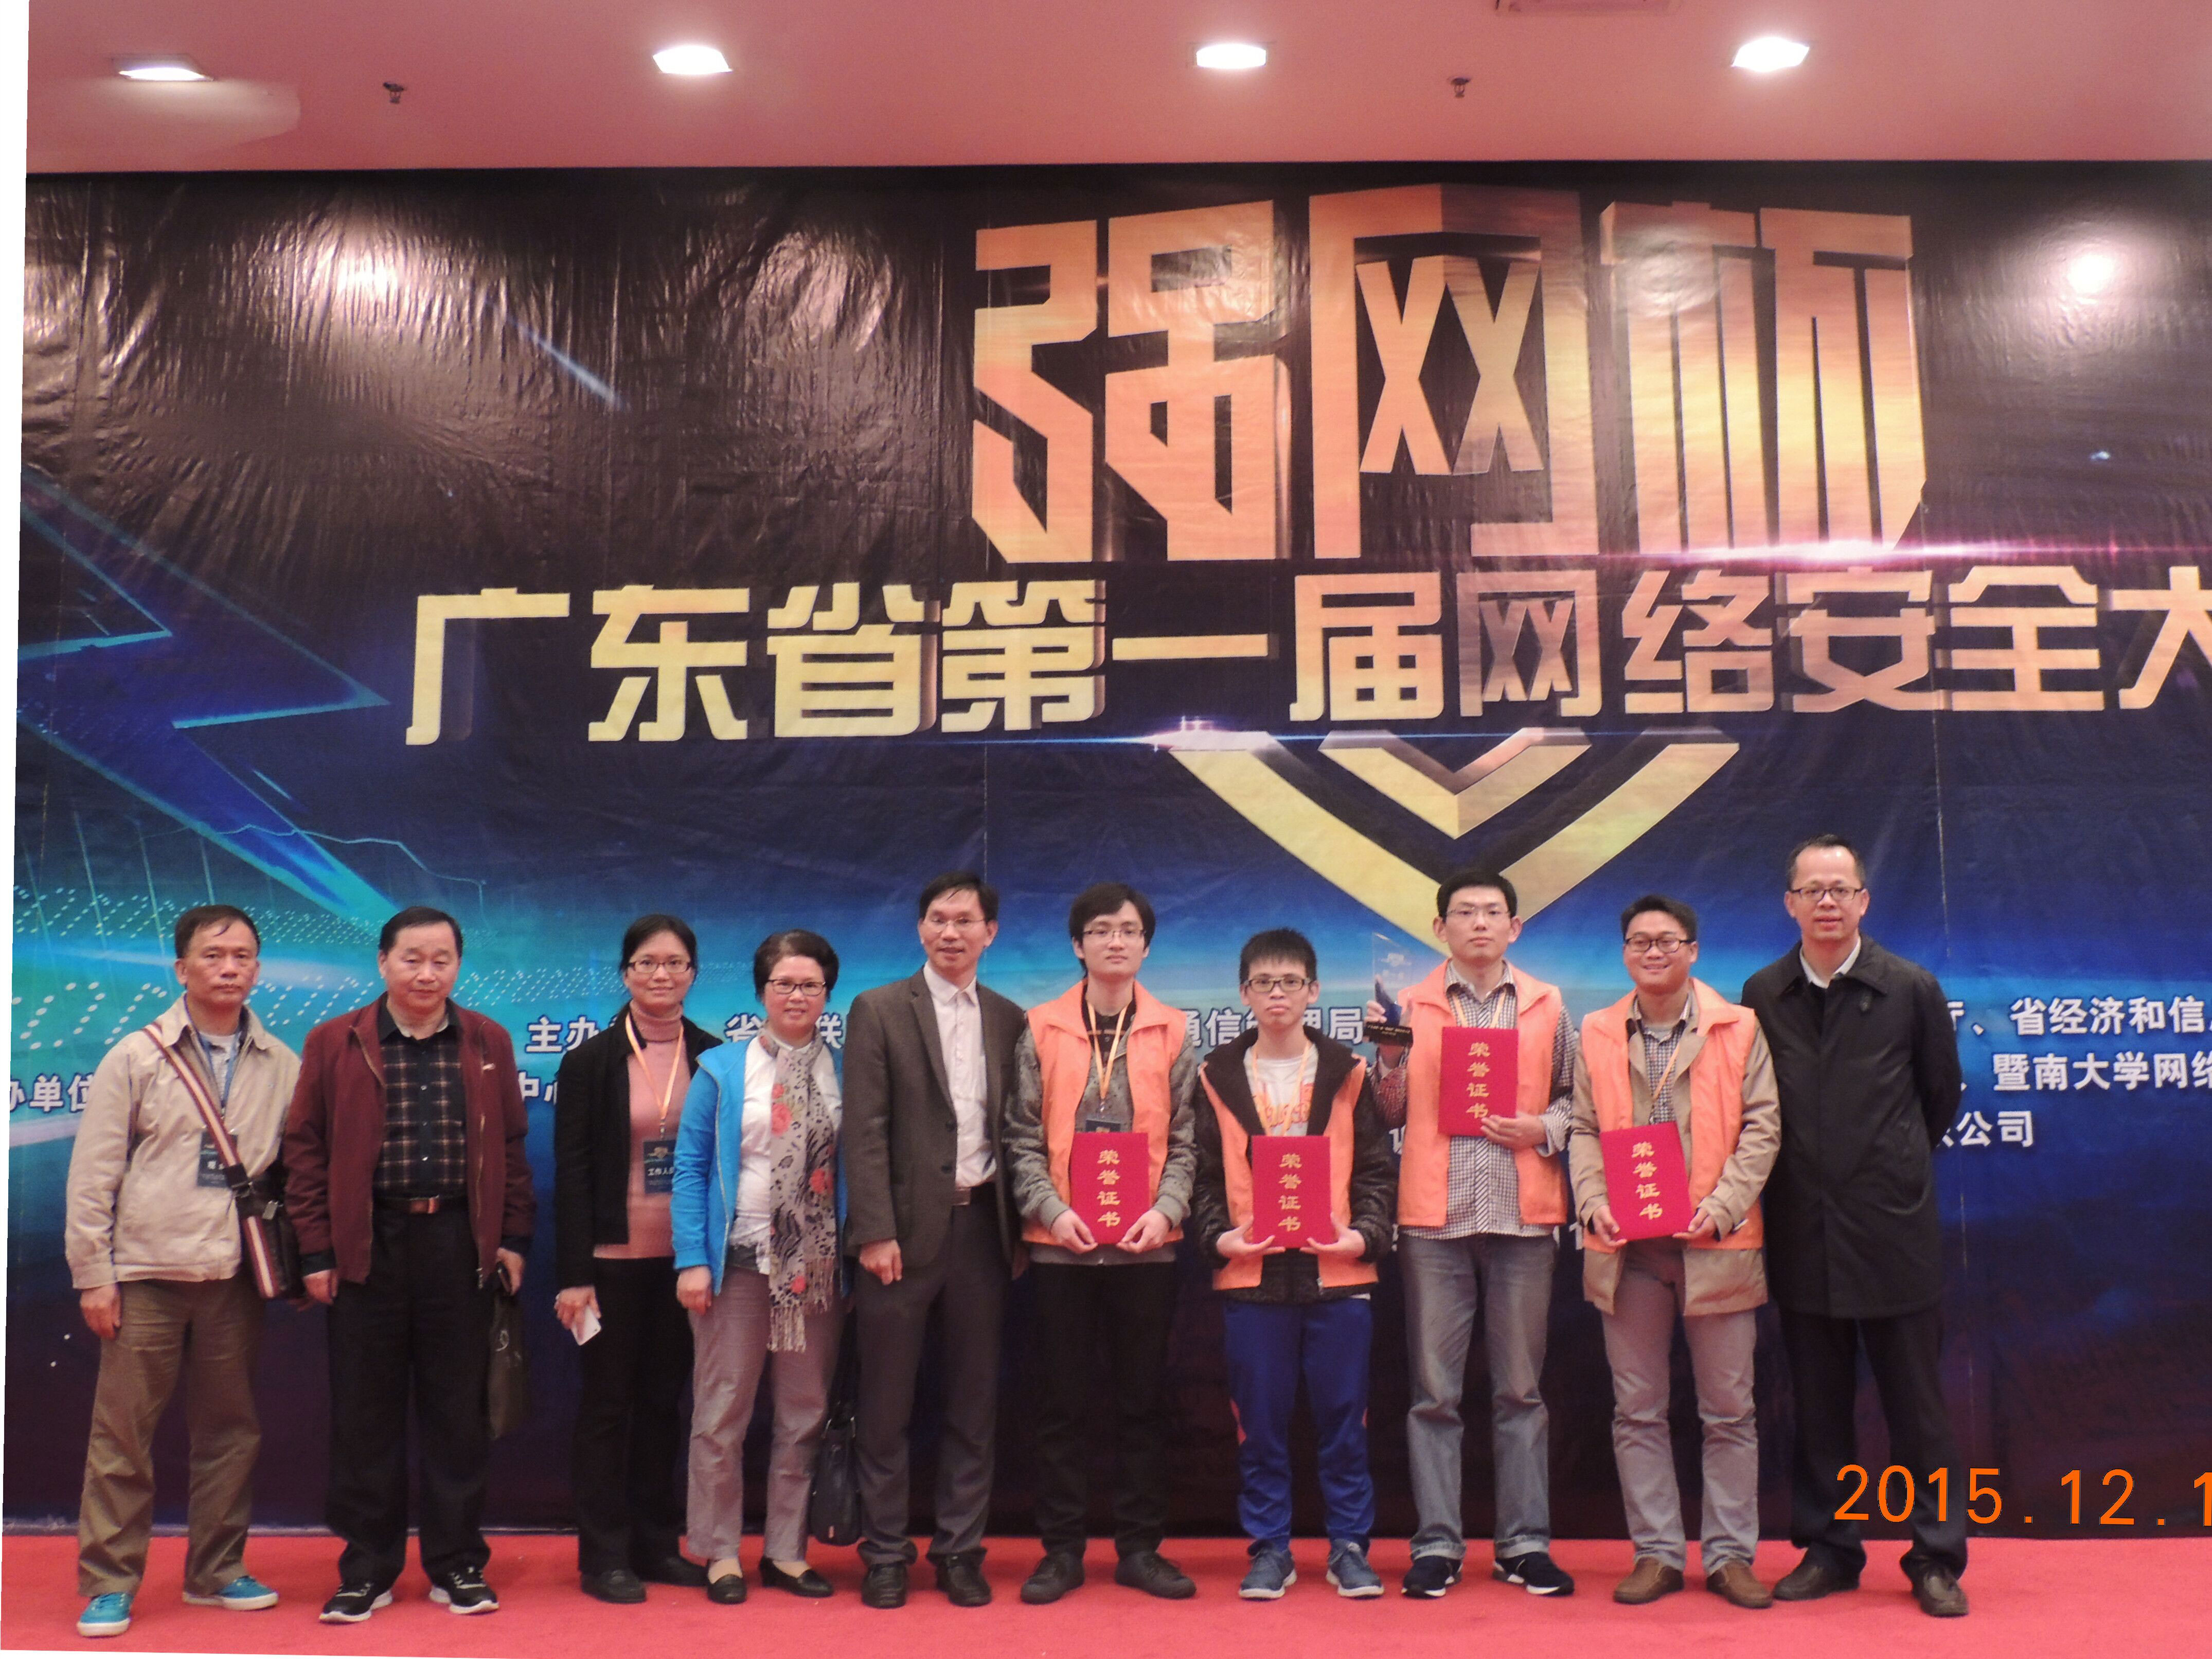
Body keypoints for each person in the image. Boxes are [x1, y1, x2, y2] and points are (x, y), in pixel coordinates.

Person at [284, 906, 533, 1624]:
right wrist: (317, 1249)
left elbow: (512, 1147)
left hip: (459, 1243)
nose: (427, 974)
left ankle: (458, 1564)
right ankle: (367, 1567)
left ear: (458, 965)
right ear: (383, 962)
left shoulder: (487, 1039)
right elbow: (305, 1150)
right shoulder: (336, 1041)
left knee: (459, 1415)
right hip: (369, 1246)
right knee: (366, 1416)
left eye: (441, 960)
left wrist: (512, 1239)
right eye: (412, 959)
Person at [1740, 835, 1969, 1617]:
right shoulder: (1764, 992)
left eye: (1841, 889)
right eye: (1813, 889)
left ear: (1865, 901)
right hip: (1801, 1229)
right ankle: (1830, 1549)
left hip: (1892, 1229)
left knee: (1918, 1410)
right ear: (1791, 904)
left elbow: (1940, 1095)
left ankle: (1935, 1555)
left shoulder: (1910, 987)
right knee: (1818, 1405)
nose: (1828, 902)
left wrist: (1886, 1166)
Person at [64, 905, 298, 1639]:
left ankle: (217, 1570)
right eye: (213, 955)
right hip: (145, 1275)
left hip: (234, 1277)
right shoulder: (137, 1055)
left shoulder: (282, 1062)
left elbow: (297, 1168)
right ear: (181, 968)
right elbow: (93, 1174)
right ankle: (110, 1581)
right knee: (122, 1438)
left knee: (231, 1431)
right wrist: (93, 1274)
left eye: (243, 956)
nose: (229, 968)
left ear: (257, 969)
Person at [1369, 866, 1577, 1599]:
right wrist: (1388, 1057)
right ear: (1440, 928)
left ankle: (1524, 1544)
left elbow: (1577, 1101)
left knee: (1521, 1390)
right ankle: (1437, 1544)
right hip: (1435, 1218)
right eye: (1465, 912)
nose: (1480, 923)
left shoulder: (1548, 1003)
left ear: (1515, 927)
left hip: (1523, 1215)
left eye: (1493, 912)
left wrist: (1541, 1128)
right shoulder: (1408, 1003)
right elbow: (1386, 1114)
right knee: (1434, 1393)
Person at [1567, 896, 1780, 1610]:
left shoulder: (1739, 1026)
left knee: (1730, 1411)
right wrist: (1593, 1202)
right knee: (1637, 1411)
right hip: (1629, 1252)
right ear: (1624, 952)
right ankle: (1656, 1553)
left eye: (1667, 940)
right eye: (1639, 941)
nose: (1652, 951)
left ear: (1693, 949)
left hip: (1716, 1245)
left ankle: (1729, 1557)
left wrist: (1719, 1210)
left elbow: (1763, 1129)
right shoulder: (1597, 1030)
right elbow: (1583, 1129)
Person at [1003, 881, 1199, 1603]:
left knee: (1143, 1403)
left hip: (1148, 1248)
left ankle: (1141, 1548)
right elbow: (1020, 1135)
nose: (1116, 941)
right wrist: (1052, 1212)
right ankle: (1061, 1551)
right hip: (1062, 1248)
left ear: (1146, 946)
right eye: (1101, 930)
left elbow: (1188, 1140)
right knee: (1061, 1405)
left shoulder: (1173, 1029)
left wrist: (1166, 1212)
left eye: (1129, 930)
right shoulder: (1042, 1026)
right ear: (1077, 945)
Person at [1190, 929, 1396, 1601]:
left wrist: (1362, 1237)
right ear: (1244, 993)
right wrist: (1219, 1239)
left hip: (1337, 1275)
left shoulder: (1349, 1070)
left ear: (1314, 991)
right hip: (1251, 1277)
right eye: (1263, 983)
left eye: (1290, 982)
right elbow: (1201, 1176)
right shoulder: (1216, 1075)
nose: (1277, 994)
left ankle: (1349, 1547)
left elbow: (1376, 1169)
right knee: (1260, 1427)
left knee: (1346, 1424)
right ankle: (1270, 1549)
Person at [841, 873, 1026, 1610]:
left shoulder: (1009, 1018)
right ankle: (886, 1554)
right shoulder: (880, 1008)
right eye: (939, 919)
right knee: (885, 1405)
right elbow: (864, 1129)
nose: (952, 932)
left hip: (983, 1232)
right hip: (898, 1237)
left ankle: (959, 1552)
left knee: (973, 1404)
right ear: (920, 928)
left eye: (966, 920)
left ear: (991, 933)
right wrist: (875, 1230)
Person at [671, 930, 847, 1604]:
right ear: (761, 992)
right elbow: (690, 1168)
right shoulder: (722, 1068)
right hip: (738, 1266)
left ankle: (786, 1551)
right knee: (722, 1414)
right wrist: (693, 1259)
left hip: (815, 1272)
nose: (796, 995)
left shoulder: (848, 1070)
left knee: (803, 1414)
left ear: (827, 995)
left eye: (810, 985)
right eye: (783, 984)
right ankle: (719, 1551)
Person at [552, 915, 721, 1602]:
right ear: (626, 973)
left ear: (693, 974)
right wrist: (574, 1275)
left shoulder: (714, 1056)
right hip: (609, 1265)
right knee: (607, 1407)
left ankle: (656, 1545)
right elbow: (570, 1173)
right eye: (647, 962)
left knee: (663, 1405)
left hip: (685, 1266)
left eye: (675, 963)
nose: (661, 974)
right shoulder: (591, 1061)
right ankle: (604, 1556)